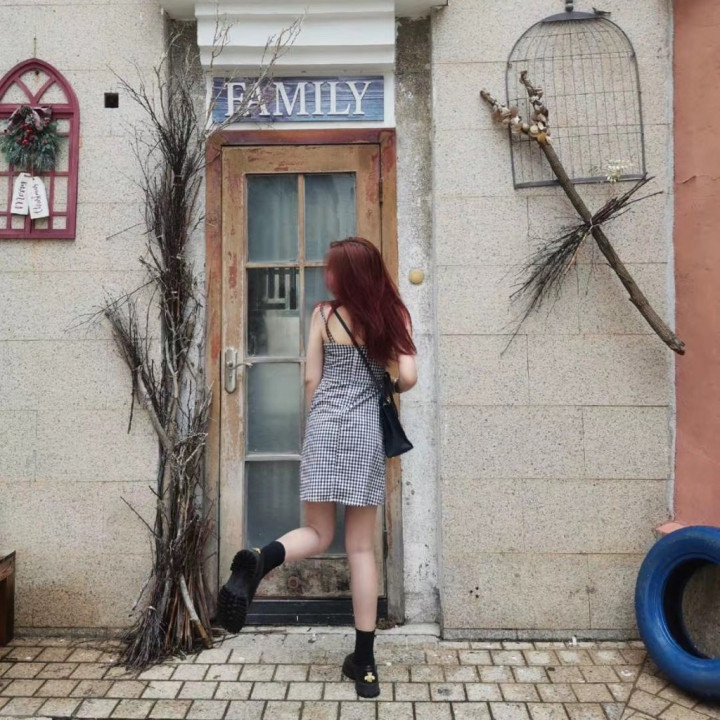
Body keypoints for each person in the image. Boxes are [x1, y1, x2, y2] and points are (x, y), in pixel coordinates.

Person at [215, 236, 418, 698]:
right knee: (360, 548)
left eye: (332, 269)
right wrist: (386, 380)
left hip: (325, 428)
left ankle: (261, 559)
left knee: (317, 531)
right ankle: (365, 666)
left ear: (347, 275)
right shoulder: (394, 314)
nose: (326, 275)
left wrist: (318, 425)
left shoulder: (323, 315)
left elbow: (311, 378)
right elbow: (408, 377)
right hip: (365, 433)